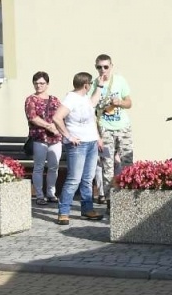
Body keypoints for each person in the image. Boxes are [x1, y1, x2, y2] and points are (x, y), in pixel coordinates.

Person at [56, 71, 103, 225]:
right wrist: (69, 136)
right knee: (74, 179)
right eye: (90, 84)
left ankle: (87, 209)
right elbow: (57, 117)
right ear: (85, 85)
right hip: (78, 144)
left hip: (91, 143)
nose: (90, 86)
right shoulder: (71, 98)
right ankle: (63, 212)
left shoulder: (84, 98)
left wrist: (100, 85)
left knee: (88, 179)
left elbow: (94, 103)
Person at [95, 54, 133, 200]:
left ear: (111, 66)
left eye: (105, 66)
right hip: (105, 128)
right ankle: (110, 201)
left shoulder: (120, 80)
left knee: (127, 162)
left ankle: (126, 197)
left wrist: (120, 102)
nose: (103, 70)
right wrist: (97, 135)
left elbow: (129, 103)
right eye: (99, 67)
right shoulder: (94, 84)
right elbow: (91, 109)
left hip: (123, 127)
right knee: (107, 165)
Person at [24, 72, 63, 204]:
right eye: (36, 83)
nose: (38, 85)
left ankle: (51, 193)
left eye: (41, 83)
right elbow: (32, 117)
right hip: (39, 138)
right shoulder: (31, 99)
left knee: (54, 166)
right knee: (39, 167)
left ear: (47, 84)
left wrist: (56, 127)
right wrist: (48, 126)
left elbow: (62, 115)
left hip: (55, 138)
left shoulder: (55, 100)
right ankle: (39, 195)